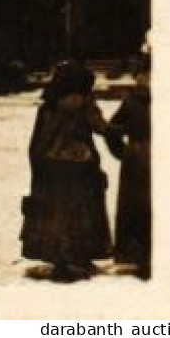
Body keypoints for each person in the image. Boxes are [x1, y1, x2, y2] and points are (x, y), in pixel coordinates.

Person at [21, 60, 112, 281]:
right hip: (81, 165)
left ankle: (59, 256)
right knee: (81, 212)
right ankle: (78, 256)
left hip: (53, 166)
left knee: (57, 212)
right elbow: (101, 127)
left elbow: (40, 139)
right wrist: (119, 130)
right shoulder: (85, 104)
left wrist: (37, 165)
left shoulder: (50, 105)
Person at [105, 57, 151, 279]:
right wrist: (123, 153)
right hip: (137, 160)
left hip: (161, 158)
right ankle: (135, 256)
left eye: (151, 75)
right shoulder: (130, 102)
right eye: (143, 75)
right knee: (136, 208)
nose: (148, 80)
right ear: (136, 78)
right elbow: (112, 129)